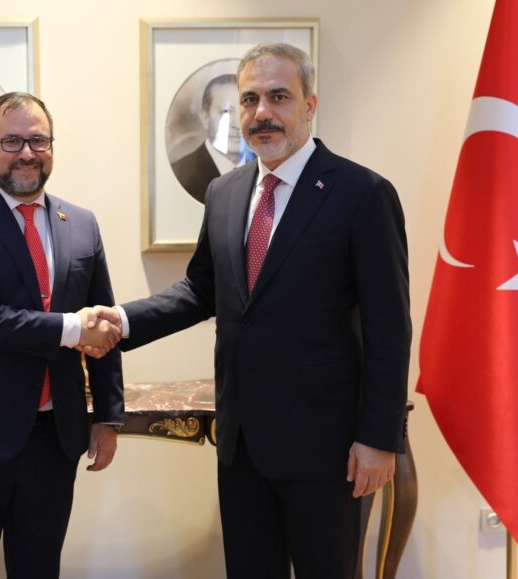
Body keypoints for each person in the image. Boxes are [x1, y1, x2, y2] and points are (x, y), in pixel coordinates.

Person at [89, 43, 411, 578]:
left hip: (328, 450)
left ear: (310, 105)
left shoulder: (362, 193)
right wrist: (121, 321)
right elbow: (201, 291)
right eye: (250, 99)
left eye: (279, 97)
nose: (262, 113)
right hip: (242, 446)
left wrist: (379, 440)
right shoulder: (225, 192)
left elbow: (389, 329)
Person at [0, 91, 125, 579]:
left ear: (52, 146)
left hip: (55, 438)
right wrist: (70, 328)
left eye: (38, 141)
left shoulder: (81, 223)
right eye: (12, 141)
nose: (27, 153)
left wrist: (108, 416)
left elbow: (105, 324)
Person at [170, 73, 254, 203]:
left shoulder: (266, 168)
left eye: (243, 112)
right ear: (205, 118)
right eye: (226, 112)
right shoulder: (181, 173)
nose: (237, 124)